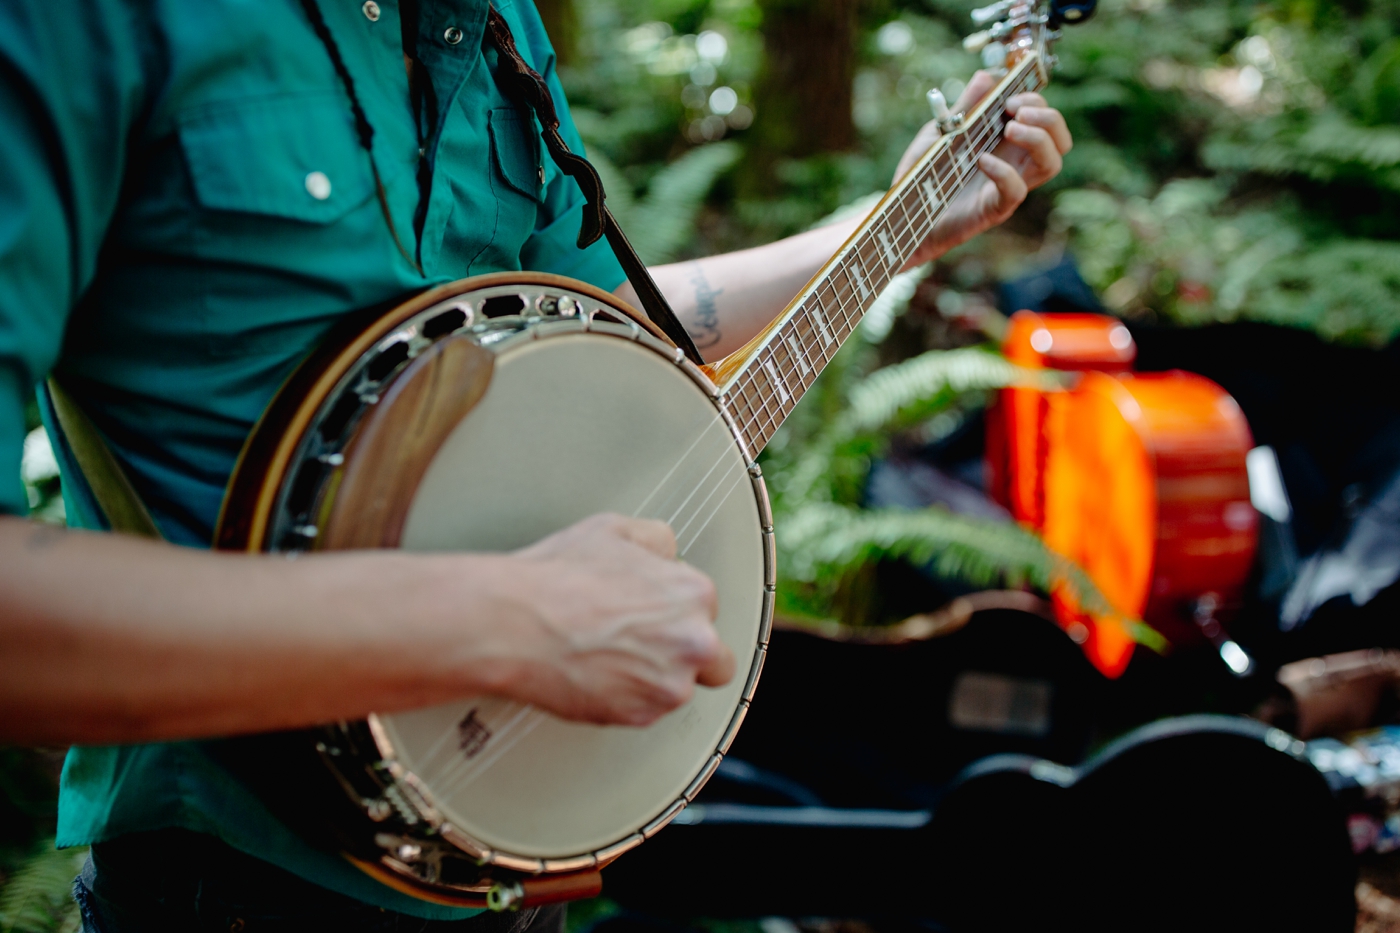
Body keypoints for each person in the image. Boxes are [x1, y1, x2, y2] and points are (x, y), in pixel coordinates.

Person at [0, 0, 1071, 929]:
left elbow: (608, 326)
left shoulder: (488, 21)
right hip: (240, 882)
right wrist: (509, 622)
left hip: (501, 870)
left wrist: (892, 223)